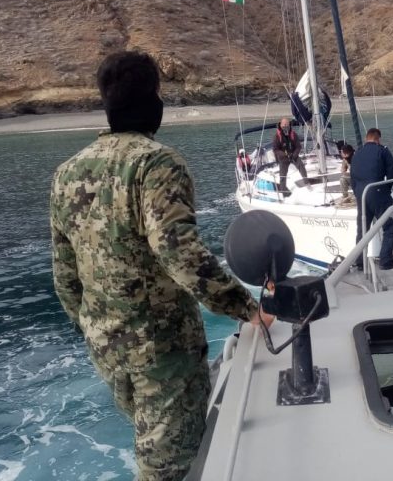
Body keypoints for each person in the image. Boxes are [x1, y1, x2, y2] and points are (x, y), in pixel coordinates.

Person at [49, 51, 272, 481]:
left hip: (107, 348)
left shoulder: (66, 174)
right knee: (169, 468)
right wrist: (246, 308)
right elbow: (179, 252)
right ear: (153, 99)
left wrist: (94, 328)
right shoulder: (157, 163)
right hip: (161, 349)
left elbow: (65, 275)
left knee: (151, 446)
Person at [350, 128, 393, 270]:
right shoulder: (383, 151)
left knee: (362, 230)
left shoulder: (357, 153)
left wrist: (358, 193)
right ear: (378, 139)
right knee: (389, 226)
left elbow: (352, 177)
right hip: (378, 192)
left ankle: (360, 262)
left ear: (366, 138)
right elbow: (392, 173)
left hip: (361, 194)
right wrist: (386, 189)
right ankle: (386, 260)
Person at [272, 117, 309, 195]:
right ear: (280, 125)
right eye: (284, 125)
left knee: (301, 166)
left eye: (287, 125)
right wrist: (284, 154)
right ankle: (284, 192)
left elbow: (298, 146)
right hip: (283, 158)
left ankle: (307, 182)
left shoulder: (293, 134)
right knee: (282, 175)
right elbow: (275, 149)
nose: (285, 126)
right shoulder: (277, 136)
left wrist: (294, 155)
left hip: (293, 155)